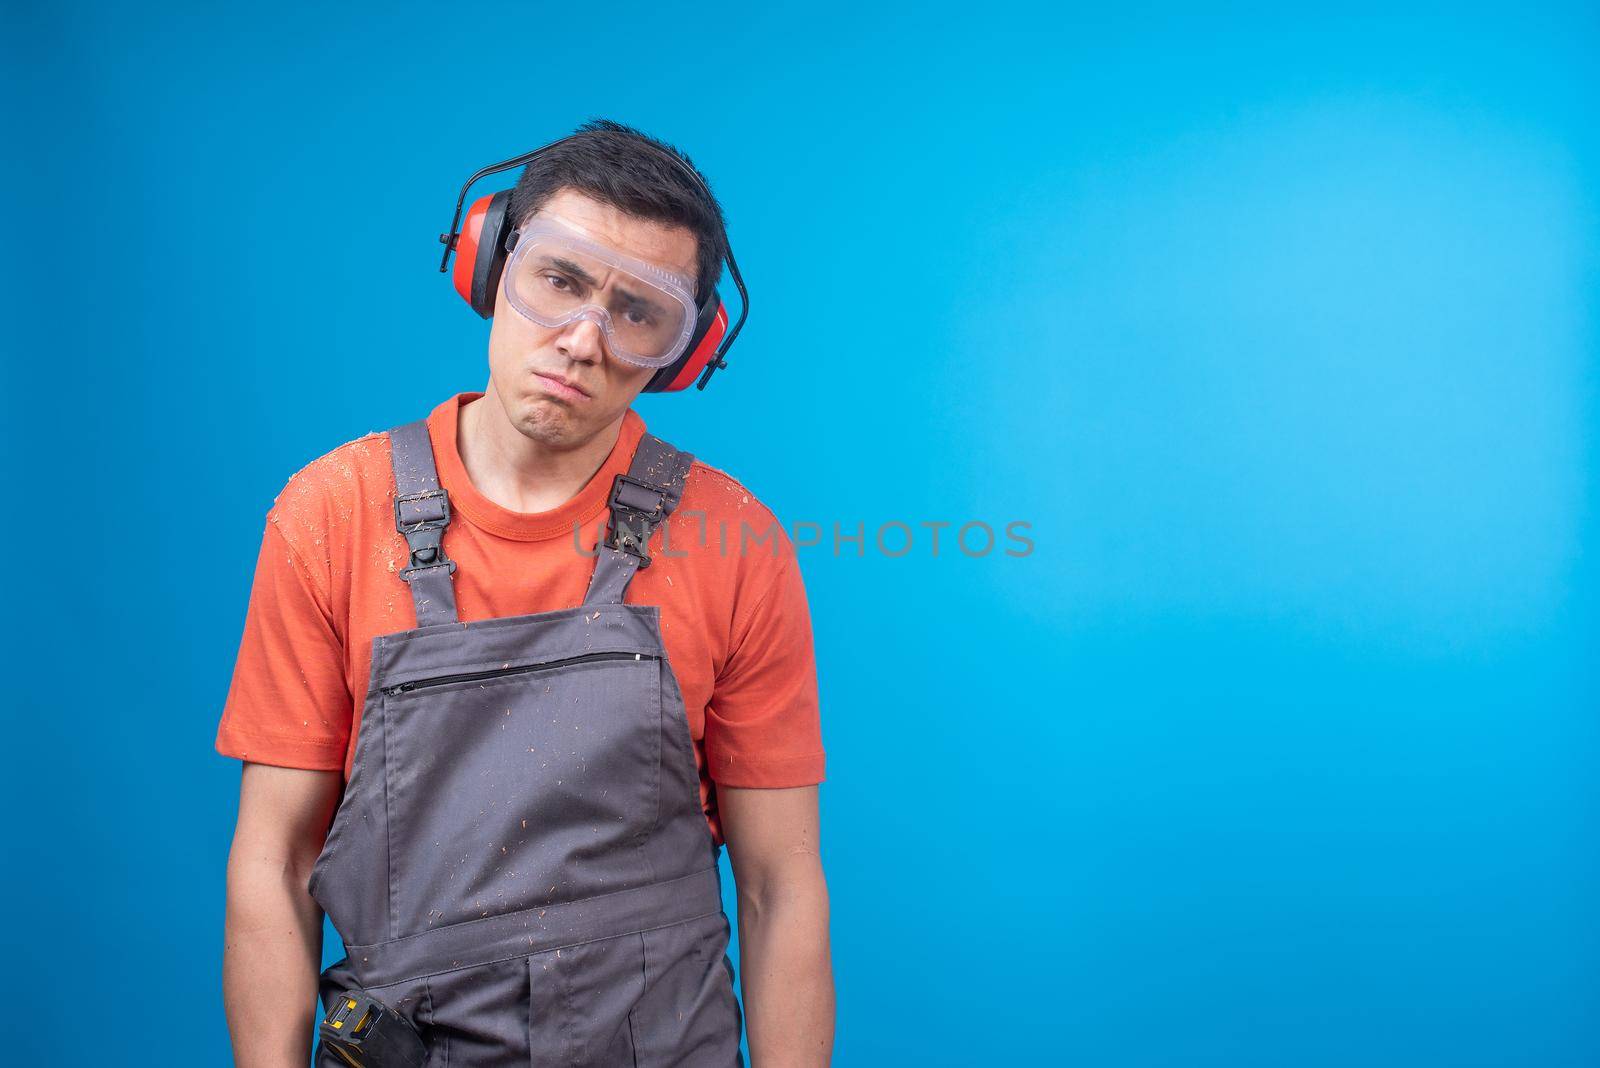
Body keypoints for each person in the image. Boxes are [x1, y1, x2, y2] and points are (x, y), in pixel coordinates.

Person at [216, 119, 833, 1067]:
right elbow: (276, 860)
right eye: (560, 279)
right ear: (486, 263)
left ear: (686, 350)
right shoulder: (332, 512)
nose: (583, 340)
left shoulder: (738, 541)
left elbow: (777, 887)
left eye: (639, 312)